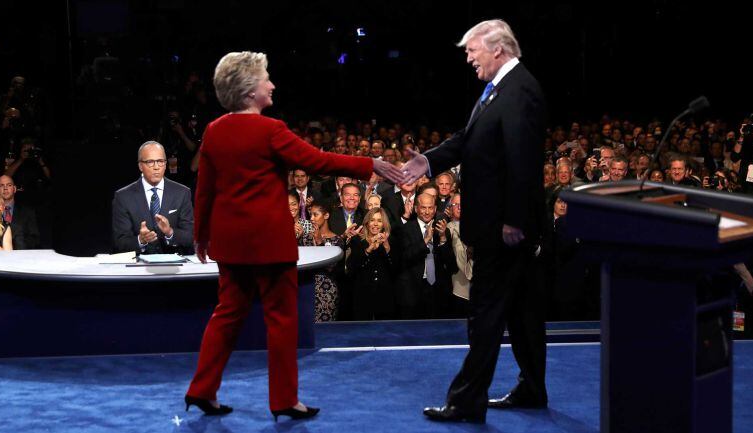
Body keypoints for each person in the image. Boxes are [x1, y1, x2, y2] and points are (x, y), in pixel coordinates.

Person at [185, 51, 401, 421]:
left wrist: (201, 236)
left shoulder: (214, 130)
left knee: (226, 315)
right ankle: (284, 400)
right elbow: (318, 161)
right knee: (282, 322)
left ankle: (201, 390)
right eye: (267, 78)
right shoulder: (271, 130)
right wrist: (369, 165)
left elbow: (204, 188)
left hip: (230, 244)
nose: (272, 84)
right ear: (251, 90)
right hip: (269, 245)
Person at [402, 19, 547, 423]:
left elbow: (522, 160)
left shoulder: (519, 91)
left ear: (497, 49)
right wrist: (428, 160)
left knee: (485, 313)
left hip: (504, 227)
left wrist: (513, 219)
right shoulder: (499, 90)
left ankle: (466, 400)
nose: (469, 57)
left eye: (472, 50)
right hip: (503, 225)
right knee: (521, 311)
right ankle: (533, 388)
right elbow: (470, 141)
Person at [112, 141, 195, 254]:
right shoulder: (123, 197)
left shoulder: (182, 193)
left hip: (174, 265)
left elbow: (190, 237)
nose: (156, 167)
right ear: (140, 166)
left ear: (165, 164)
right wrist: (141, 240)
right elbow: (119, 242)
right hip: (139, 267)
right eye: (150, 162)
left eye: (160, 161)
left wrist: (170, 232)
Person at [347, 207, 397, 320]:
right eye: (372, 220)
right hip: (362, 296)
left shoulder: (392, 241)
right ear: (367, 223)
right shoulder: (357, 241)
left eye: (379, 221)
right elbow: (352, 268)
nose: (375, 224)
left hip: (384, 297)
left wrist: (386, 247)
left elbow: (395, 269)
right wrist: (368, 250)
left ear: (384, 224)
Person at [307, 202, 343, 321]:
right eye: (310, 215)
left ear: (326, 216)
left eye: (315, 215)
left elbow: (330, 266)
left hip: (327, 290)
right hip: (305, 288)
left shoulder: (337, 240)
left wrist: (320, 242)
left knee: (325, 330)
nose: (311, 218)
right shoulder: (306, 237)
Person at [0, 175, 39, 249]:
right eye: (1, 185)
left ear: (14, 189)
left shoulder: (27, 212)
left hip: (22, 256)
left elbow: (34, 238)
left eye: (9, 185)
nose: (5, 188)